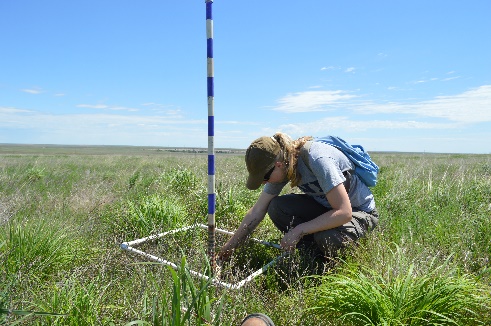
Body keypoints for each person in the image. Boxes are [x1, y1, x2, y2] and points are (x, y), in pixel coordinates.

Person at [219, 132, 379, 260]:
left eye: (265, 178)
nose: (264, 183)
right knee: (276, 207)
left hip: (359, 212)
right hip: (327, 208)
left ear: (278, 165)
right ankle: (312, 251)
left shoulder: (318, 159)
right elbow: (257, 210)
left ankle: (343, 254)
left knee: (328, 238)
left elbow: (344, 212)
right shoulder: (283, 165)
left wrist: (299, 230)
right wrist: (230, 246)